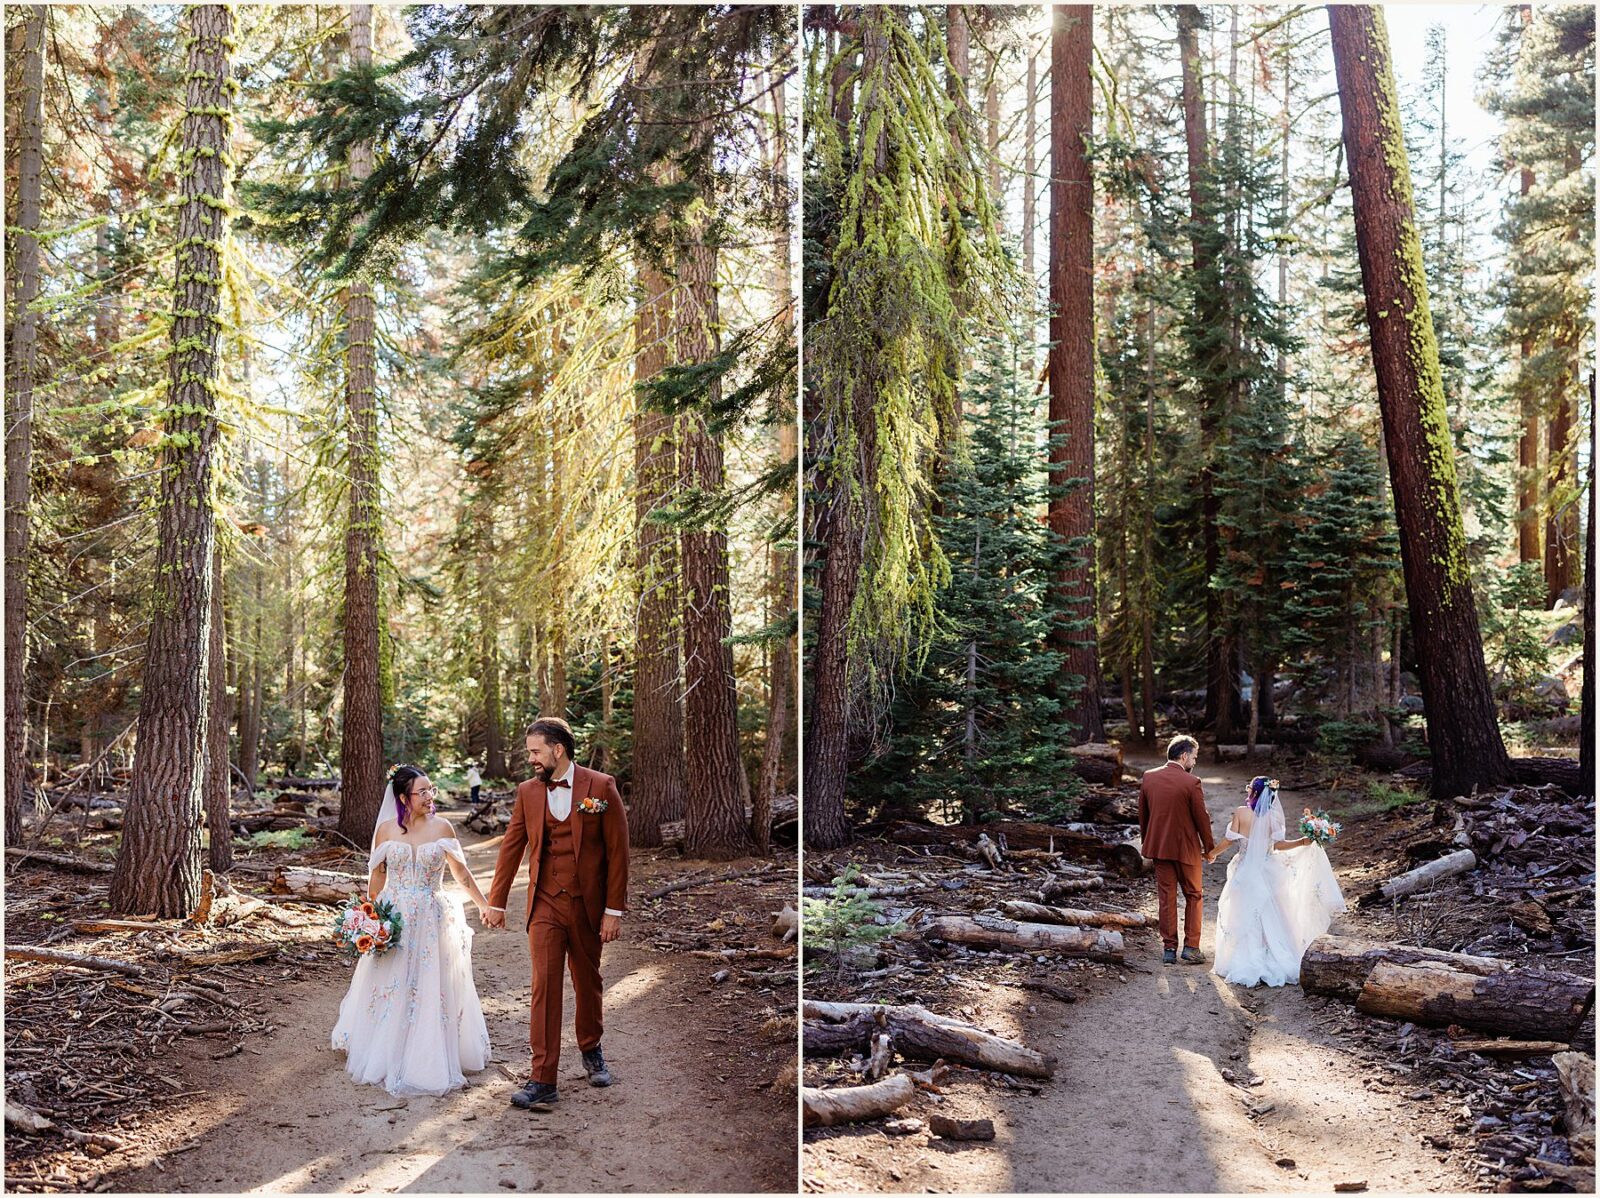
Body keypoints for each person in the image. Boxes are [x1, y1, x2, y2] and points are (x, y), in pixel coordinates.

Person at [483, 717, 630, 1113]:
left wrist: (613, 911)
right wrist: (496, 902)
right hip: (545, 903)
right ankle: (543, 1078)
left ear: (557, 749)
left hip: (587, 905)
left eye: (535, 751)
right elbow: (511, 847)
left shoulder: (601, 787)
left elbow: (618, 853)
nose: (530, 758)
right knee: (544, 987)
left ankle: (591, 1047)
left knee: (588, 981)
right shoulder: (528, 792)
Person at [331, 763, 493, 1095]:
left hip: (433, 917)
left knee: (430, 983)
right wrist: (368, 914)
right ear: (404, 797)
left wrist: (482, 903)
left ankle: (428, 1053)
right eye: (423, 791)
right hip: (396, 915)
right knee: (392, 981)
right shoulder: (387, 830)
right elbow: (377, 875)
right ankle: (385, 1047)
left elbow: (460, 873)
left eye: (432, 789)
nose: (430, 796)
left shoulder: (443, 827)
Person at [1208, 776, 1347, 987]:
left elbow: (1229, 841)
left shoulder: (1241, 812)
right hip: (1269, 869)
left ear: (1253, 792)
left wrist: (1211, 854)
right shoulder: (1274, 818)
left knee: (1245, 911)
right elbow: (1278, 846)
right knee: (1274, 912)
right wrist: (1302, 842)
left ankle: (1246, 956)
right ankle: (1275, 954)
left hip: (1245, 870)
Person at [1138, 734, 1215, 965]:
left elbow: (1144, 815)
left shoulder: (1149, 777)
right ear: (1183, 756)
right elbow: (1202, 818)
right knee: (1194, 895)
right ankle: (1191, 948)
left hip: (1159, 849)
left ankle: (1169, 950)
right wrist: (1209, 848)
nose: (1194, 761)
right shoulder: (1192, 782)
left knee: (1166, 898)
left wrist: (1149, 841)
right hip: (1186, 850)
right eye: (1194, 757)